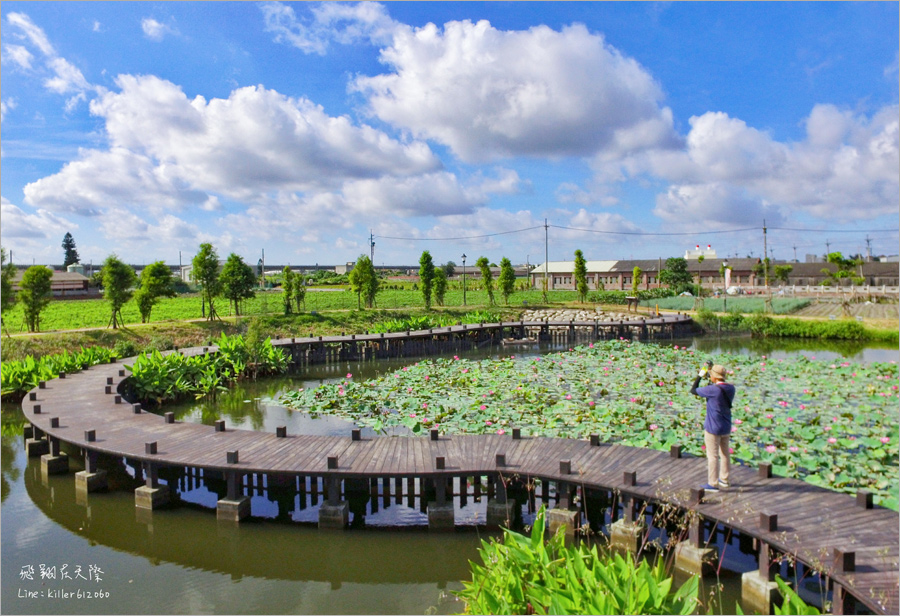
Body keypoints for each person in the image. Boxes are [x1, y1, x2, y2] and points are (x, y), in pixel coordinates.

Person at [690, 364, 735, 492]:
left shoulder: (712, 390)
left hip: (713, 428)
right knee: (725, 454)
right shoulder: (731, 388)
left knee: (713, 456)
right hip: (726, 426)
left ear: (713, 377)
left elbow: (693, 390)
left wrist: (700, 376)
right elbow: (719, 386)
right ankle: (724, 480)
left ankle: (713, 483)